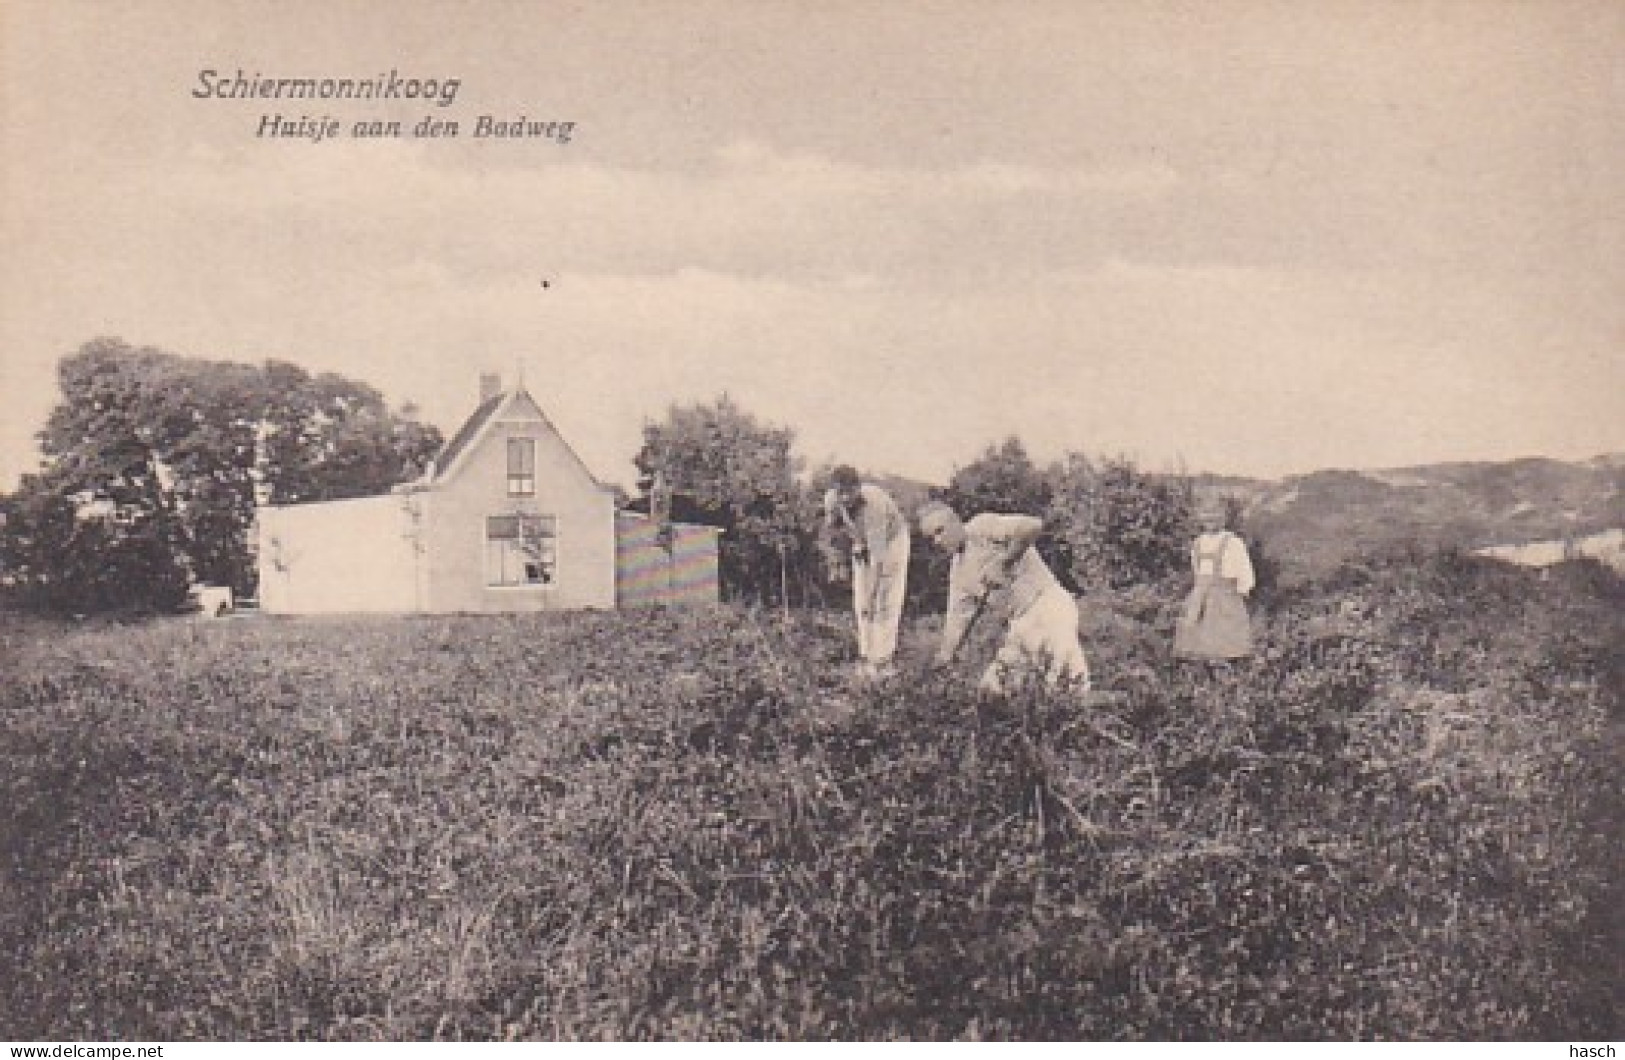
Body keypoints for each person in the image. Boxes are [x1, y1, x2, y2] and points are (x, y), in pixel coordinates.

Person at [916, 500, 1090, 694]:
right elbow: (957, 621)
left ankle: (1089, 716)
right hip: (1021, 623)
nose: (938, 541)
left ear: (955, 521)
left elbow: (1032, 526)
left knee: (1067, 678)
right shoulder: (959, 573)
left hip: (1049, 604)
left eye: (940, 531)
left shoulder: (982, 527)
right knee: (993, 689)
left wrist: (1004, 562)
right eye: (931, 538)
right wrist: (944, 657)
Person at [822, 465, 911, 676]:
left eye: (849, 492)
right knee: (861, 602)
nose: (844, 498)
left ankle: (883, 661)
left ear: (858, 488)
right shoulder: (831, 499)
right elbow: (831, 532)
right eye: (839, 492)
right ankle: (865, 656)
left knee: (884, 602)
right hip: (861, 539)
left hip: (891, 544)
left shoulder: (875, 506)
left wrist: (871, 598)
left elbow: (878, 561)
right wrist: (836, 561)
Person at [1173, 505, 1256, 661]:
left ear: (1223, 519)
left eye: (1215, 517)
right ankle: (1202, 670)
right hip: (1201, 596)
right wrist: (1199, 588)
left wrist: (1244, 588)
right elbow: (1196, 569)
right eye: (1207, 517)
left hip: (1225, 594)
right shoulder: (1198, 542)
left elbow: (1244, 567)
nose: (1210, 521)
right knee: (1197, 633)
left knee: (1225, 635)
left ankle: (1228, 667)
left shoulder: (1233, 542)